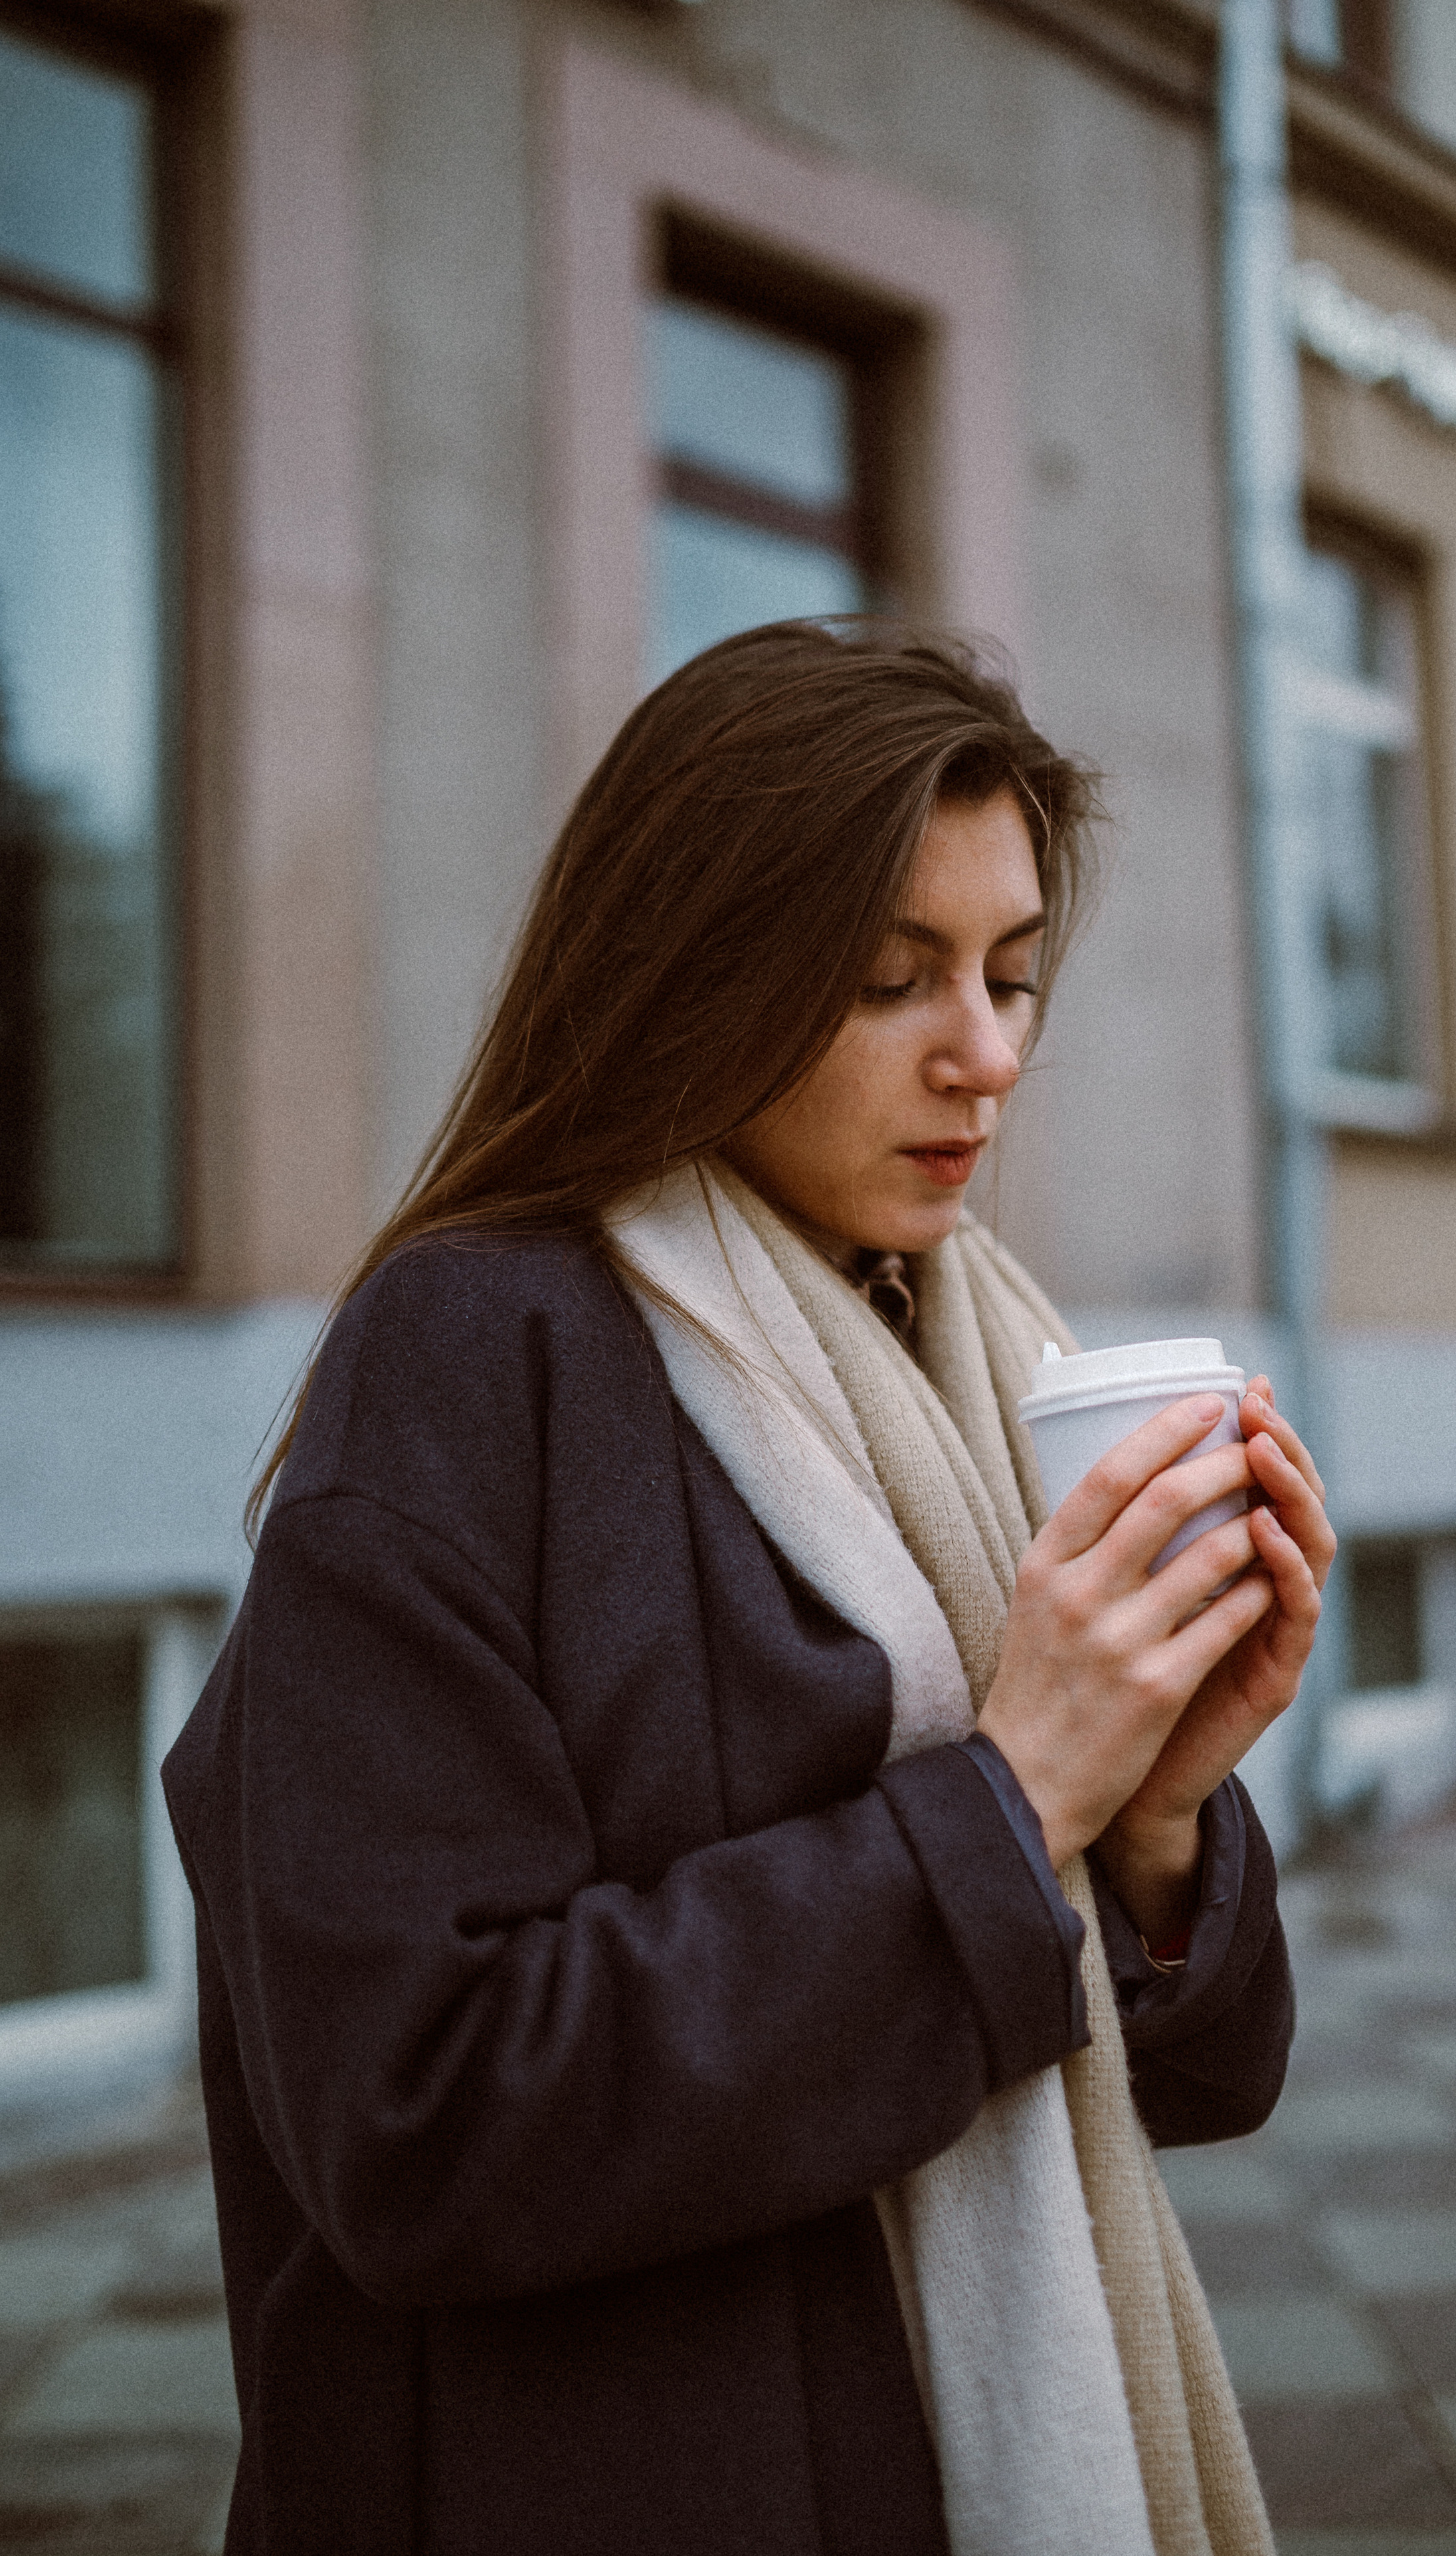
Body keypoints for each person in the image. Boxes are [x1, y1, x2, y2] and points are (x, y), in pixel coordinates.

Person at [164, 623, 1334, 2556]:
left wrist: (1158, 1815)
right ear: (695, 974)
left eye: (1013, 974)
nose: (991, 1051)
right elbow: (418, 2119)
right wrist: (1016, 1792)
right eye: (894, 982)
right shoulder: (480, 1348)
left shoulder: (966, 1343)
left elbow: (1190, 2084)